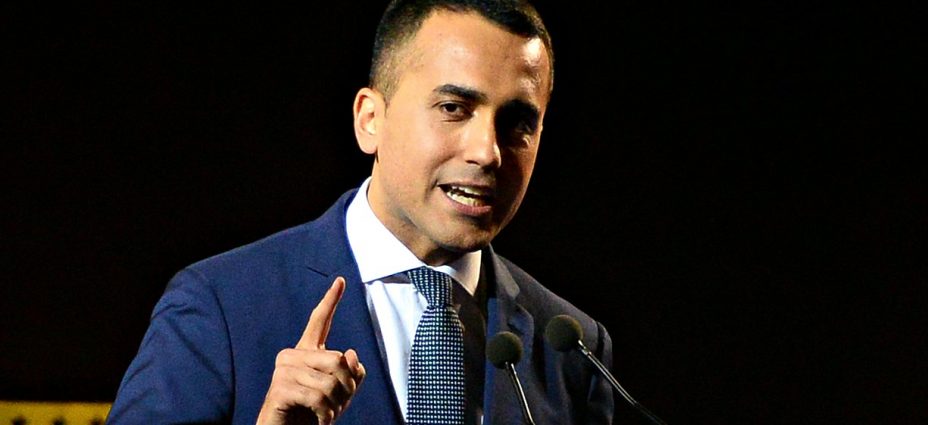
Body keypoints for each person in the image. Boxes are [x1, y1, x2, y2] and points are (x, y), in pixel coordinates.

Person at [107, 0, 615, 423]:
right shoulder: (221, 306)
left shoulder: (574, 347)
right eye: (453, 109)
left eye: (518, 122)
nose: (487, 152)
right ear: (371, 119)